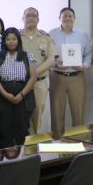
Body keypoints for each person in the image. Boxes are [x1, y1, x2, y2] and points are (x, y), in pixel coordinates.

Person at [48, 7, 92, 139]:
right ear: (59, 18)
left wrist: (84, 65)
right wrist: (55, 64)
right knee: (57, 114)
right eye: (64, 16)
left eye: (70, 16)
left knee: (78, 113)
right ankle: (57, 145)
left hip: (76, 77)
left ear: (74, 18)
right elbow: (47, 55)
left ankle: (77, 144)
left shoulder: (82, 34)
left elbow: (89, 53)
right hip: (57, 77)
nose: (67, 19)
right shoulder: (51, 34)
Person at [0, 27, 38, 148]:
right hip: (3, 96)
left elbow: (33, 77)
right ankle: (6, 164)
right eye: (8, 39)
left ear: (18, 40)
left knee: (22, 131)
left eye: (14, 39)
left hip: (23, 95)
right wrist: (5, 94)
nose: (11, 42)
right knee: (4, 131)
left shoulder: (28, 56)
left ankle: (23, 162)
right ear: (4, 41)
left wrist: (21, 95)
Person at [20, 7, 59, 135]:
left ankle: (34, 150)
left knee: (37, 117)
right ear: (23, 18)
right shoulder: (15, 36)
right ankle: (19, 150)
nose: (31, 17)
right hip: (20, 83)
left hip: (39, 83)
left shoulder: (46, 37)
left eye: (34, 15)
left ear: (38, 19)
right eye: (28, 15)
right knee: (18, 116)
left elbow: (51, 59)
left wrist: (33, 73)